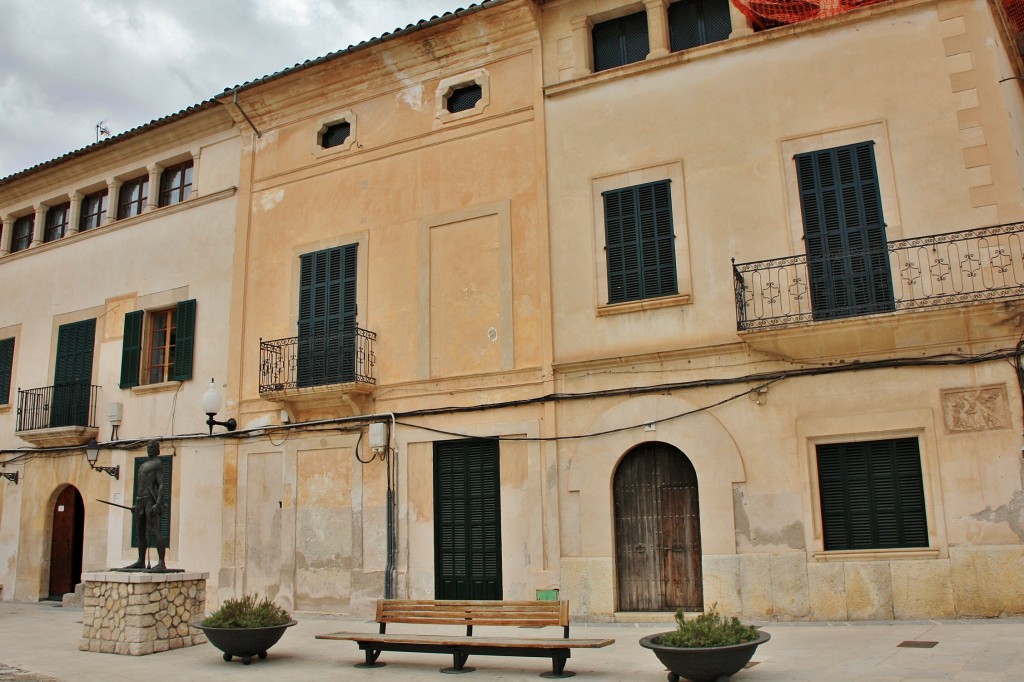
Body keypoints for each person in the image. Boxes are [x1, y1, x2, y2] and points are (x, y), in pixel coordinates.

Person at [123, 440, 167, 571]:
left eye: (152, 447)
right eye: (148, 447)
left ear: (157, 449)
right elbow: (141, 485)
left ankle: (161, 562)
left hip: (150, 499)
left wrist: (158, 503)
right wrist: (136, 504)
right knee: (140, 531)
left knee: (154, 529)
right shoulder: (144, 465)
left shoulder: (157, 463)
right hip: (140, 500)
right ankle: (140, 561)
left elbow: (161, 484)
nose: (149, 449)